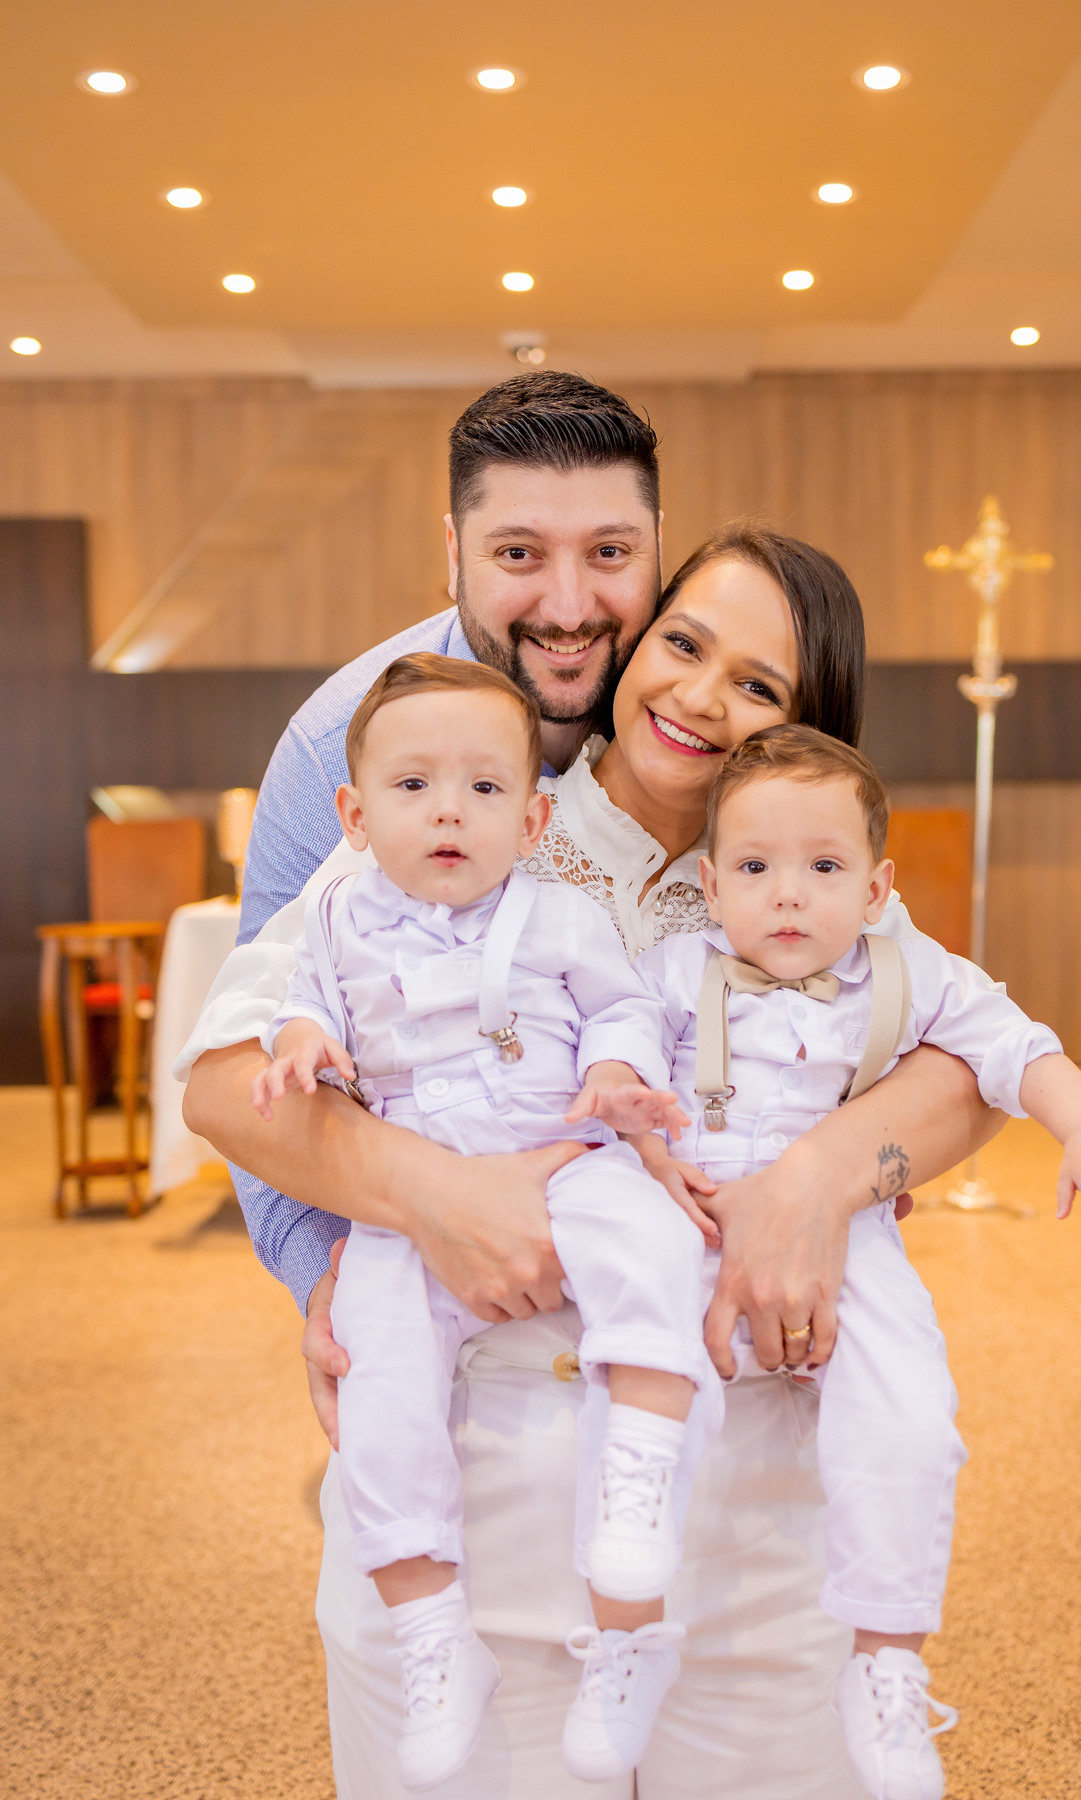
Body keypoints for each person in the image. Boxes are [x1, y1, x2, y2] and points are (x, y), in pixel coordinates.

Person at [182, 371, 1002, 1799]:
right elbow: (230, 1067)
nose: (697, 691)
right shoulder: (423, 798)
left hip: (736, 1474)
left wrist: (819, 1178)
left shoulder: (789, 873)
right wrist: (398, 1222)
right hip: (474, 1437)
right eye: (686, 647)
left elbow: (965, 1059)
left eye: (760, 684)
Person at [634, 723, 1081, 1800]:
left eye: (822, 869)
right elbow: (604, 1075)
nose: (788, 896)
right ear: (709, 882)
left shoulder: (908, 973)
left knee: (910, 1421)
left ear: (876, 887)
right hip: (685, 1223)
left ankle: (888, 1660)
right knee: (641, 1420)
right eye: (756, 868)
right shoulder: (671, 969)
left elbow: (1019, 1049)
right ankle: (631, 1636)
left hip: (852, 1240)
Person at [251, 653, 721, 1789]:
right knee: (380, 1365)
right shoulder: (334, 917)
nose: (448, 811)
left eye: (482, 789)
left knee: (657, 1247)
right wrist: (300, 1043)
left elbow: (623, 1009)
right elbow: (291, 1004)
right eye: (412, 789)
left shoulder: (559, 914)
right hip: (416, 1186)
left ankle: (637, 1485)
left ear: (534, 815)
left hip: (569, 1147)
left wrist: (613, 1073)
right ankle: (427, 1630)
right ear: (356, 815)